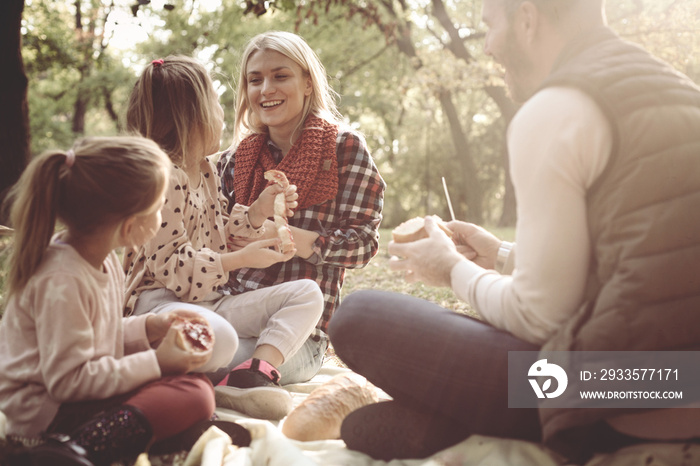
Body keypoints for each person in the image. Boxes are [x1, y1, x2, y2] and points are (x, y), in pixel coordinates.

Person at [328, 0, 700, 463]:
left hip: (621, 391)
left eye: (489, 26)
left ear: (527, 18)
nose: (486, 47)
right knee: (366, 423)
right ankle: (465, 427)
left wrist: (452, 270)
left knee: (361, 317)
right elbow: (641, 260)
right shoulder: (675, 88)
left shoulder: (556, 109)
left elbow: (539, 317)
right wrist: (503, 256)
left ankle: (593, 434)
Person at [0, 136, 229, 465]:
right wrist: (157, 363)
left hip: (75, 399)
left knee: (195, 388)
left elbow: (97, 335)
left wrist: (149, 326)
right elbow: (69, 382)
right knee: (194, 394)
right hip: (41, 418)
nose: (161, 218)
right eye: (157, 210)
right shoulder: (62, 279)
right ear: (129, 226)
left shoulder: (102, 258)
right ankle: (72, 450)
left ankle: (141, 437)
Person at [124, 55, 324, 421]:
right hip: (158, 308)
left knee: (307, 294)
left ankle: (251, 375)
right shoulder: (162, 180)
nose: (223, 112)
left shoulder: (206, 171)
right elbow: (174, 266)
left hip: (212, 300)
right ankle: (195, 370)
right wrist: (242, 260)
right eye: (216, 103)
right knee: (221, 339)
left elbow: (222, 233)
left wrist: (259, 210)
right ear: (194, 116)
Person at [218, 31, 386, 385]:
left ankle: (238, 376)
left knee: (208, 359)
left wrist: (292, 238)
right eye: (255, 80)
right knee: (188, 341)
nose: (266, 89)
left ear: (307, 83)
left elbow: (364, 244)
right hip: (233, 308)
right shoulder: (237, 158)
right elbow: (211, 234)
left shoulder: (344, 148)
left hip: (299, 333)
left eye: (281, 76)